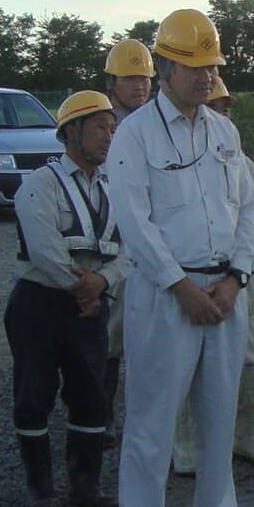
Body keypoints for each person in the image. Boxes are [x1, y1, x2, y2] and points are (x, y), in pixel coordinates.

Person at [106, 7, 254, 507]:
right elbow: (134, 219)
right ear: (168, 66)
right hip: (165, 294)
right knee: (153, 415)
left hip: (224, 291)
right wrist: (180, 286)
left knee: (219, 413)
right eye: (194, 67)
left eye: (211, 67)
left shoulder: (224, 131)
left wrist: (236, 278)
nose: (206, 77)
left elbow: (250, 207)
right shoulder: (134, 134)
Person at [9, 90, 123, 507]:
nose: (108, 137)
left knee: (91, 394)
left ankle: (84, 485)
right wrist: (85, 288)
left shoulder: (116, 185)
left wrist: (103, 282)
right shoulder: (41, 184)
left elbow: (131, 247)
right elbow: (44, 249)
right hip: (41, 302)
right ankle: (40, 487)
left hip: (93, 301)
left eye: (111, 128)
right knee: (34, 393)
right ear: (70, 131)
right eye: (98, 127)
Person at [172, 73, 254, 472]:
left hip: (236, 273)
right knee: (187, 358)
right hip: (193, 273)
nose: (222, 113)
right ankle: (185, 444)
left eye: (226, 107)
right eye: (217, 107)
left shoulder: (240, 159)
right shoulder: (177, 154)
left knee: (247, 353)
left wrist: (239, 272)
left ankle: (245, 436)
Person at [98, 37, 155, 419]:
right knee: (107, 340)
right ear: (111, 84)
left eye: (145, 78)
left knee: (148, 340)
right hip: (110, 246)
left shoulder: (157, 126)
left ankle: (142, 414)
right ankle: (99, 418)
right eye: (130, 78)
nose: (140, 85)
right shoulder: (100, 126)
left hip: (149, 247)